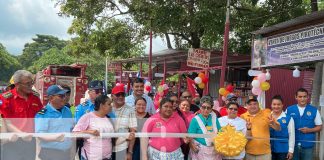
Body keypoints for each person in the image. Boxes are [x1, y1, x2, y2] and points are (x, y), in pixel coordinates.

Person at [0, 70, 43, 160]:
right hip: (12, 141)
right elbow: (6, 121)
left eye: (31, 83)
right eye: (27, 84)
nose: (31, 86)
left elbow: (41, 115)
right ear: (17, 84)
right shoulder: (6, 98)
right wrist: (21, 134)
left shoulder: (35, 97)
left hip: (30, 141)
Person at [35, 85, 74, 160]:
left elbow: (71, 129)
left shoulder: (67, 110)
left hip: (66, 153)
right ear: (51, 98)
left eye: (65, 95)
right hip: (50, 153)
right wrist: (55, 138)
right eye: (61, 96)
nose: (64, 98)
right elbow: (39, 135)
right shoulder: (43, 114)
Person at [73, 95, 114, 160]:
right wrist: (88, 132)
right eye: (109, 104)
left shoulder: (109, 119)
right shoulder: (87, 117)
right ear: (101, 105)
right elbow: (74, 133)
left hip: (107, 157)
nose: (111, 106)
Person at [286, 88, 322, 160]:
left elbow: (320, 127)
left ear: (308, 97)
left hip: (308, 146)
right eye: (300, 97)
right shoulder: (289, 110)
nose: (302, 99)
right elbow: (284, 126)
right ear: (296, 97)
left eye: (304, 96)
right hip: (293, 145)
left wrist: (309, 130)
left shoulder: (314, 110)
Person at [188, 95, 222, 160]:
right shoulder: (195, 119)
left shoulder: (214, 118)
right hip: (200, 150)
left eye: (208, 108)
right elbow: (190, 135)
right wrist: (191, 145)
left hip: (214, 150)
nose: (206, 110)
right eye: (204, 107)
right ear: (200, 107)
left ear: (211, 108)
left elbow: (220, 131)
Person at [111, 83, 137, 160]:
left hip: (122, 148)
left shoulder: (130, 110)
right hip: (106, 148)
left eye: (123, 95)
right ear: (112, 96)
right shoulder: (107, 108)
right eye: (118, 95)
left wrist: (129, 152)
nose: (121, 97)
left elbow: (133, 132)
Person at [270, 95, 295, 160]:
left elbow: (292, 135)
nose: (276, 106)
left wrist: (291, 151)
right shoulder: (267, 116)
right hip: (269, 149)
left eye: (278, 104)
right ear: (271, 105)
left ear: (282, 105)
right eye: (274, 104)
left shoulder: (288, 118)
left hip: (283, 150)